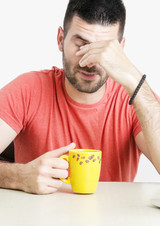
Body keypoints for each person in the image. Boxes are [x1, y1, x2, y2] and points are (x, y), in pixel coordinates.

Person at [0, 0, 160, 195]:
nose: (89, 61)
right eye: (81, 45)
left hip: (115, 223)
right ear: (61, 39)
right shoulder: (27, 90)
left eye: (104, 50)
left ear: (120, 50)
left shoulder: (137, 99)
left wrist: (134, 79)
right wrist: (18, 177)